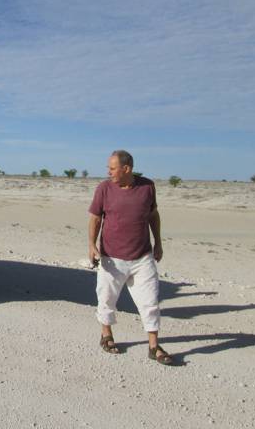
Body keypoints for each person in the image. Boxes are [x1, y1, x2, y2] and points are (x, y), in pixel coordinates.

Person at [88, 150, 173, 365]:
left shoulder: (147, 187)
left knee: (150, 301)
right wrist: (91, 245)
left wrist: (158, 242)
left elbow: (153, 215)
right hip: (111, 257)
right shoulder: (104, 188)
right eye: (109, 168)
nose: (109, 172)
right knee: (106, 298)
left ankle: (154, 346)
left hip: (142, 256)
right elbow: (96, 218)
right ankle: (106, 334)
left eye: (113, 168)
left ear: (127, 169)